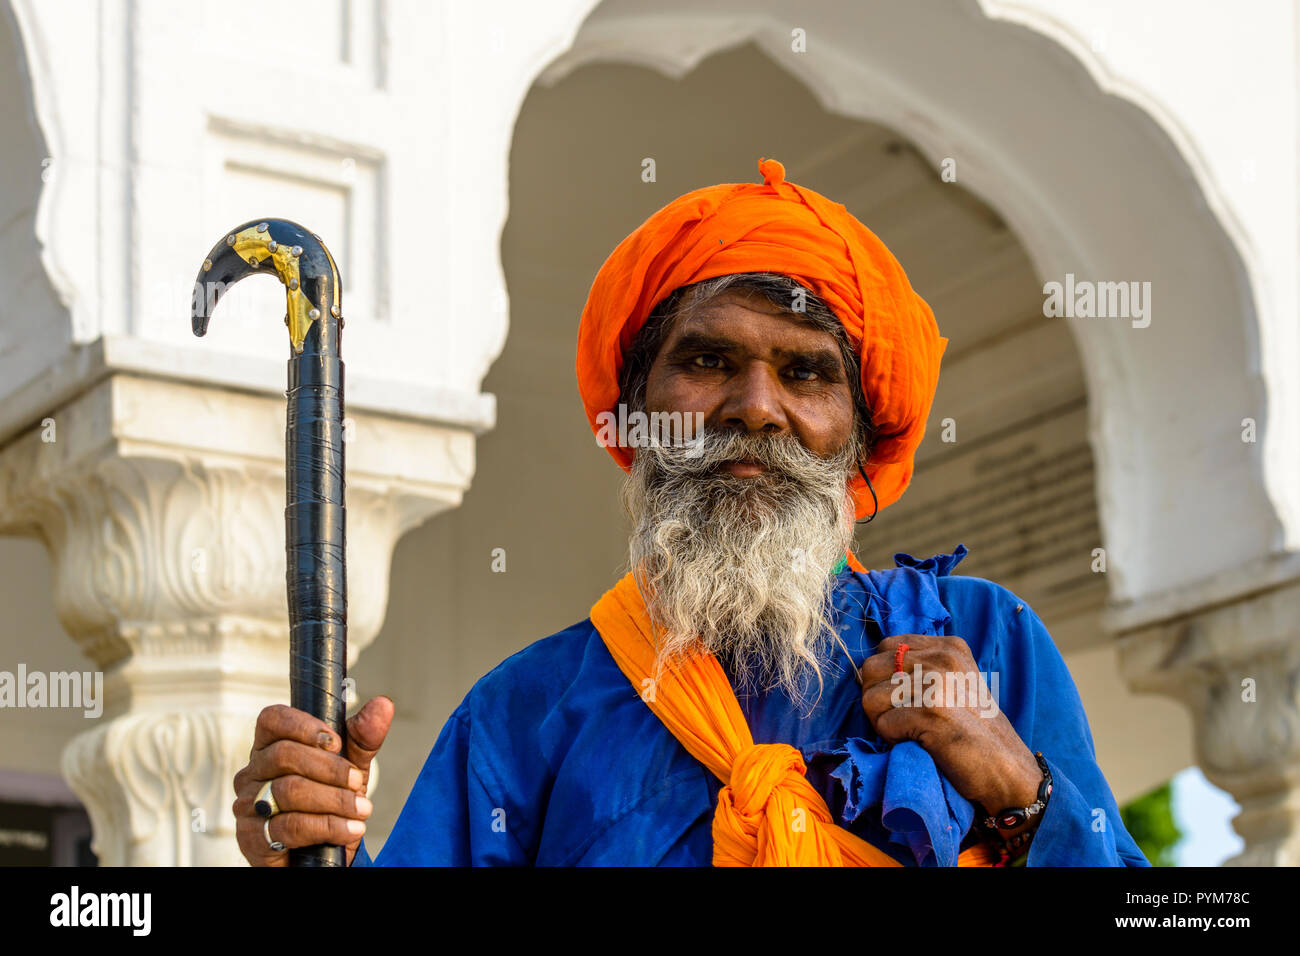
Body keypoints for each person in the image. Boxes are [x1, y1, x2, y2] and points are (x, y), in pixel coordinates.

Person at [232, 158, 1148, 867]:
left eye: (806, 372)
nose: (756, 406)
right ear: (637, 416)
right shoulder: (524, 712)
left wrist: (1017, 787)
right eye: (708, 361)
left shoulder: (986, 639)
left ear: (860, 441)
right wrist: (311, 846)